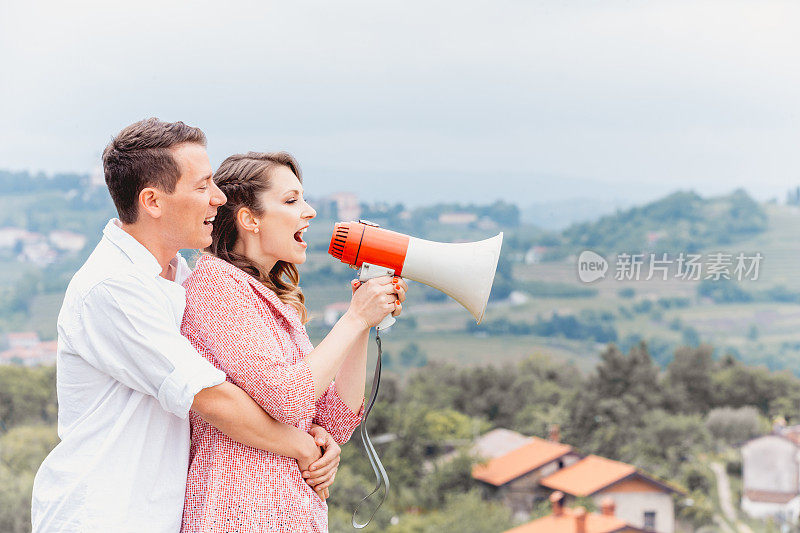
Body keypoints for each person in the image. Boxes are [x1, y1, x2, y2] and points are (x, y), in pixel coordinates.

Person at [31, 119, 341, 532]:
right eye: (202, 187)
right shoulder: (112, 288)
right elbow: (211, 398)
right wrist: (303, 446)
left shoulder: (179, 277)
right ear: (153, 202)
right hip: (104, 513)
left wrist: (318, 431)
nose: (217, 199)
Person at [179, 151, 408, 532]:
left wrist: (364, 323)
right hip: (239, 513)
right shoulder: (216, 287)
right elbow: (287, 398)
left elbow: (335, 421)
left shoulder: (266, 296)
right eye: (291, 200)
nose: (310, 211)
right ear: (249, 219)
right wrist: (353, 319)